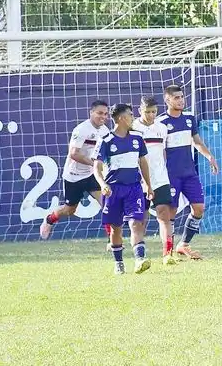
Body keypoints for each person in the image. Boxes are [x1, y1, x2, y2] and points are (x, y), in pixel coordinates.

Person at [157, 84, 219, 260]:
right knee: (171, 212)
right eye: (176, 98)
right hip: (171, 175)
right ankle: (167, 253)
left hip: (189, 173)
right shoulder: (161, 123)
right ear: (167, 100)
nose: (181, 100)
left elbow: (197, 141)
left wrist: (209, 156)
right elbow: (160, 150)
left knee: (199, 208)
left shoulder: (190, 118)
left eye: (182, 97)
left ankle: (183, 244)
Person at [92, 104, 153, 275]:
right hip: (113, 190)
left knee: (136, 223)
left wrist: (148, 185)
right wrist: (103, 184)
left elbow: (143, 162)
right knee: (115, 228)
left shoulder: (137, 138)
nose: (133, 117)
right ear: (121, 118)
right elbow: (96, 167)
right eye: (130, 115)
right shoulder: (106, 140)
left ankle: (139, 259)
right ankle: (118, 263)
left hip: (134, 188)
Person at [40, 101, 110, 240]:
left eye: (106, 114)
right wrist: (94, 164)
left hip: (92, 175)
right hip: (74, 176)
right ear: (91, 112)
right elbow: (73, 154)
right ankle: (49, 219)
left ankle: (112, 240)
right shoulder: (81, 129)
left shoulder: (105, 131)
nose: (103, 116)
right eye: (100, 113)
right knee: (69, 210)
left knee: (107, 204)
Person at [132, 96, 177, 266]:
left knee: (164, 214)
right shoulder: (132, 128)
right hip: (138, 179)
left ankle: (167, 254)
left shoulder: (162, 128)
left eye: (154, 112)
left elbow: (162, 151)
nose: (151, 115)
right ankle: (140, 257)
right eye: (147, 112)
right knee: (140, 219)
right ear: (140, 111)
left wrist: (162, 169)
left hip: (160, 178)